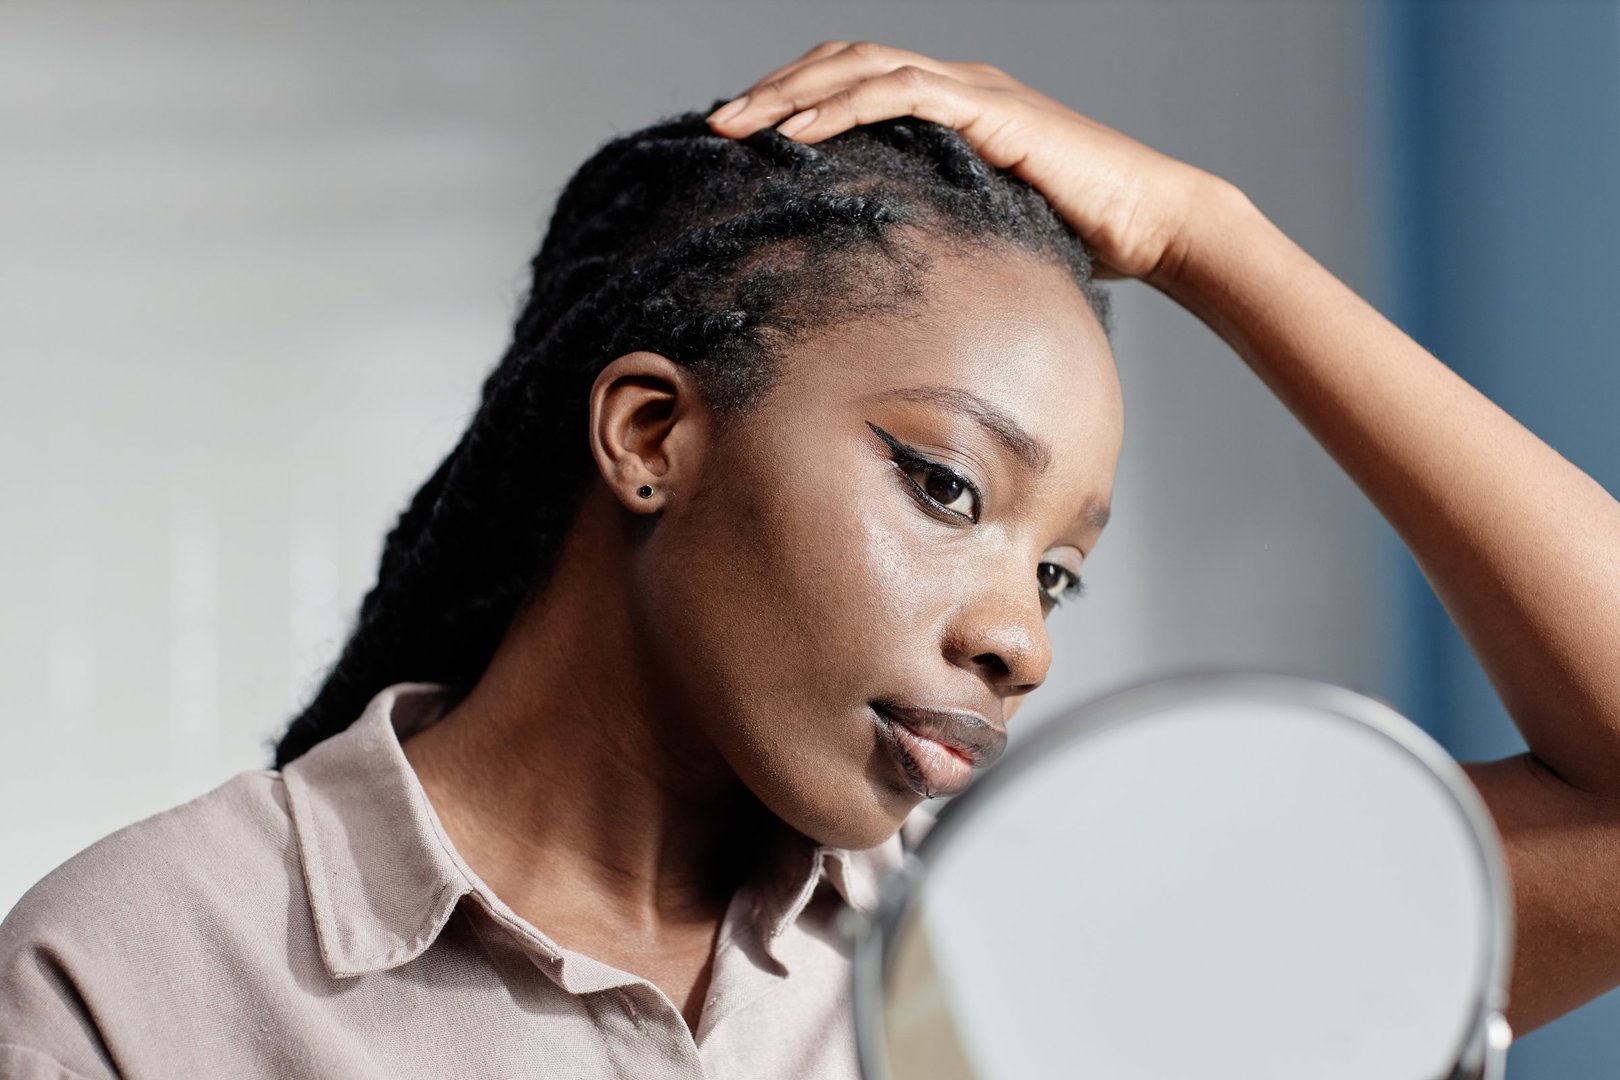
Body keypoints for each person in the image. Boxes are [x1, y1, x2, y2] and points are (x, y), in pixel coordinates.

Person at [3, 39, 1619, 1079]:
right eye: (944, 484)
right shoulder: (145, 972)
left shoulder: (1038, 950)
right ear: (650, 436)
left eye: (1060, 576)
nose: (1021, 642)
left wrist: (1211, 236)